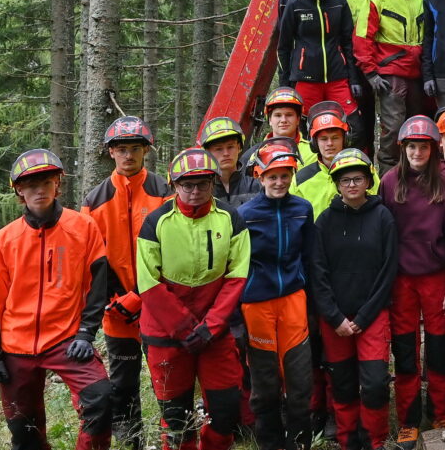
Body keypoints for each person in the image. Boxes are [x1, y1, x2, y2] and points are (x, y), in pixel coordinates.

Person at [0, 149, 114, 450]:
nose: (39, 190)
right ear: (19, 191)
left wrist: (85, 333)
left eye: (46, 182)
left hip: (66, 340)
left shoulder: (83, 227)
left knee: (101, 399)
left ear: (58, 184)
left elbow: (97, 287)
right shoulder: (4, 239)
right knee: (24, 431)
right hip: (15, 345)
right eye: (30, 184)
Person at [136, 148, 251, 450]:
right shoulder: (155, 222)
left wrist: (210, 327)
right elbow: (148, 282)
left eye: (202, 183)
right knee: (176, 417)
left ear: (213, 182)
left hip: (215, 332)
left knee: (226, 409)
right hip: (166, 332)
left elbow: (237, 276)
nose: (195, 191)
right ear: (174, 185)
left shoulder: (231, 218)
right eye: (187, 184)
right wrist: (186, 329)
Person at [83, 117, 171, 450]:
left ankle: (172, 439)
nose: (129, 155)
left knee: (167, 378)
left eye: (135, 148)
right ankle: (131, 443)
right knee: (123, 384)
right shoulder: (94, 200)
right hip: (115, 310)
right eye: (122, 149)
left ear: (146, 151)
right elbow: (91, 258)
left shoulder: (163, 191)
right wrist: (117, 298)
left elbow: (171, 249)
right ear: (110, 153)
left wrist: (142, 296)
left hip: (157, 304)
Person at [289, 105, 375, 445]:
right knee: (317, 351)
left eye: (334, 136)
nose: (329, 143)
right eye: (323, 138)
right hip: (314, 275)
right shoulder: (301, 178)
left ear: (344, 137)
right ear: (314, 141)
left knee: (352, 353)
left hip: (356, 276)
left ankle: (352, 418)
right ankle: (321, 413)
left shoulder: (365, 171)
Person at [377, 116, 445, 448]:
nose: (416, 152)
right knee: (406, 353)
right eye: (411, 146)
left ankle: (441, 414)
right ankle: (409, 421)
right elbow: (382, 237)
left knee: (439, 351)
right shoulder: (388, 182)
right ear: (403, 149)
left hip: (437, 278)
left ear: (432, 148)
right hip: (401, 281)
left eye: (422, 146)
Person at [310, 149, 400, 450]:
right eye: (345, 180)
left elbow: (388, 272)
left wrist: (363, 318)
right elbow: (317, 274)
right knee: (343, 384)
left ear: (368, 181)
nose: (351, 185)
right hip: (335, 319)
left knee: (375, 383)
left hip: (372, 317)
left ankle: (375, 440)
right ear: (336, 184)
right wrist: (335, 318)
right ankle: (349, 441)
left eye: (358, 179)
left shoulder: (382, 217)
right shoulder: (323, 222)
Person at [238, 144, 319, 450]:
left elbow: (310, 257)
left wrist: (313, 304)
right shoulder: (244, 215)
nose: (279, 182)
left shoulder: (302, 208)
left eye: (285, 176)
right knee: (264, 381)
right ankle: (270, 443)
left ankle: (299, 442)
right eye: (272, 176)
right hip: (257, 303)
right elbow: (237, 266)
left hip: (294, 300)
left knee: (299, 380)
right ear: (260, 176)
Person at [354, 0, 427, 174]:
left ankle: (417, 179)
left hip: (419, 74)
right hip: (390, 74)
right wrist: (371, 73)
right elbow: (363, 38)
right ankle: (388, 181)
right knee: (393, 129)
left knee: (418, 129)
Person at [277, 0, 361, 128]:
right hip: (305, 79)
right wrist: (285, 85)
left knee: (353, 127)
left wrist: (354, 79)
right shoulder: (293, 4)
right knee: (305, 130)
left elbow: (348, 43)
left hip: (338, 77)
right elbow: (283, 47)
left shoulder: (339, 2)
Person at [341, 0, 388, 153]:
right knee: (363, 120)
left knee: (391, 121)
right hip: (358, 64)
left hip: (388, 62)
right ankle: (364, 166)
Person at [198, 116, 261, 207]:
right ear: (208, 153)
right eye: (219, 149)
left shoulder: (256, 186)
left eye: (230, 147)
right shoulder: (201, 192)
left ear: (239, 147)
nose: (226, 153)